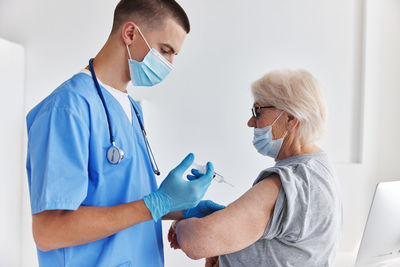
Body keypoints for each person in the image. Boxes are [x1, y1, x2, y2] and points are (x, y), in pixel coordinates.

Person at [25, 1, 221, 266]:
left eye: (175, 55)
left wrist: (181, 208)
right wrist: (156, 203)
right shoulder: (67, 109)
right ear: (130, 33)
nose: (170, 64)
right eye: (165, 50)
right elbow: (49, 231)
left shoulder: (131, 108)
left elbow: (118, 202)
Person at [168, 69, 343, 267]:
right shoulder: (319, 167)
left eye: (257, 111)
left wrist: (183, 223)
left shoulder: (289, 181)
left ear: (291, 119)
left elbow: (197, 240)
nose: (250, 122)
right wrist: (226, 244)